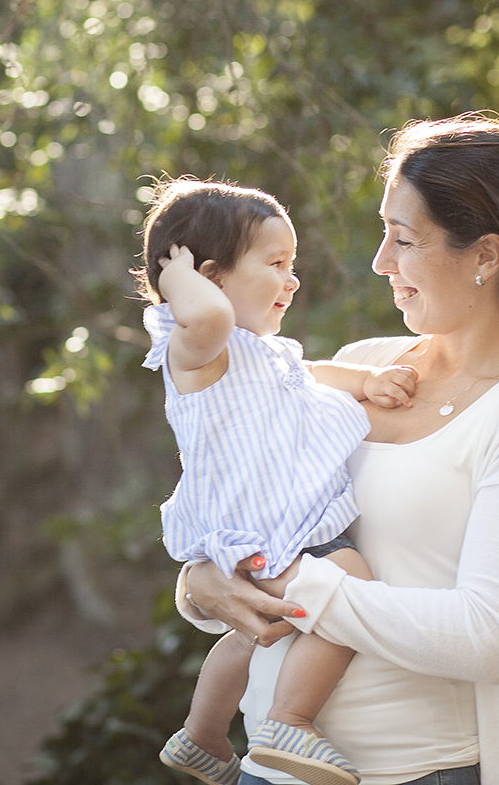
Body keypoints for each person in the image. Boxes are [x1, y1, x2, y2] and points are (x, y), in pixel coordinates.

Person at [175, 115, 499, 785]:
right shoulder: (363, 368)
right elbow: (234, 493)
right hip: (271, 773)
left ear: (485, 255)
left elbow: (489, 636)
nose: (380, 261)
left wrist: (296, 586)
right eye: (382, 232)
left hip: (417, 773)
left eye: (404, 238)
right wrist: (200, 582)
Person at [138, 179, 422, 785]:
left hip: (272, 534)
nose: (292, 281)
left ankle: (202, 734)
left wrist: (365, 383)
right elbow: (209, 313)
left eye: (293, 265)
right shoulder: (197, 349)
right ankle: (290, 721)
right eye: (275, 264)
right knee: (351, 579)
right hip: (269, 532)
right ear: (209, 279)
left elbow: (311, 376)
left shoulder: (262, 353)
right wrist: (175, 276)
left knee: (252, 637)